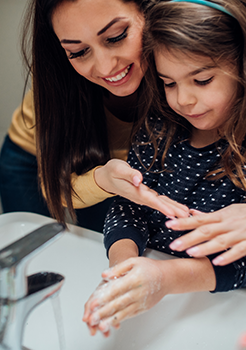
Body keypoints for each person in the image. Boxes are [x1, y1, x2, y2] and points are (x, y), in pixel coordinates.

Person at [83, 0, 246, 336]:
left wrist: (165, 278)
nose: (182, 99)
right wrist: (124, 267)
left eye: (201, 80)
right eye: (169, 83)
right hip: (156, 301)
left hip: (220, 313)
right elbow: (130, 208)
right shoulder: (160, 125)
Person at [0, 0, 189, 233]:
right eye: (78, 52)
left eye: (116, 37)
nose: (106, 67)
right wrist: (102, 181)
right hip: (39, 161)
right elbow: (57, 186)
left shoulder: (189, 57)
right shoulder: (61, 77)